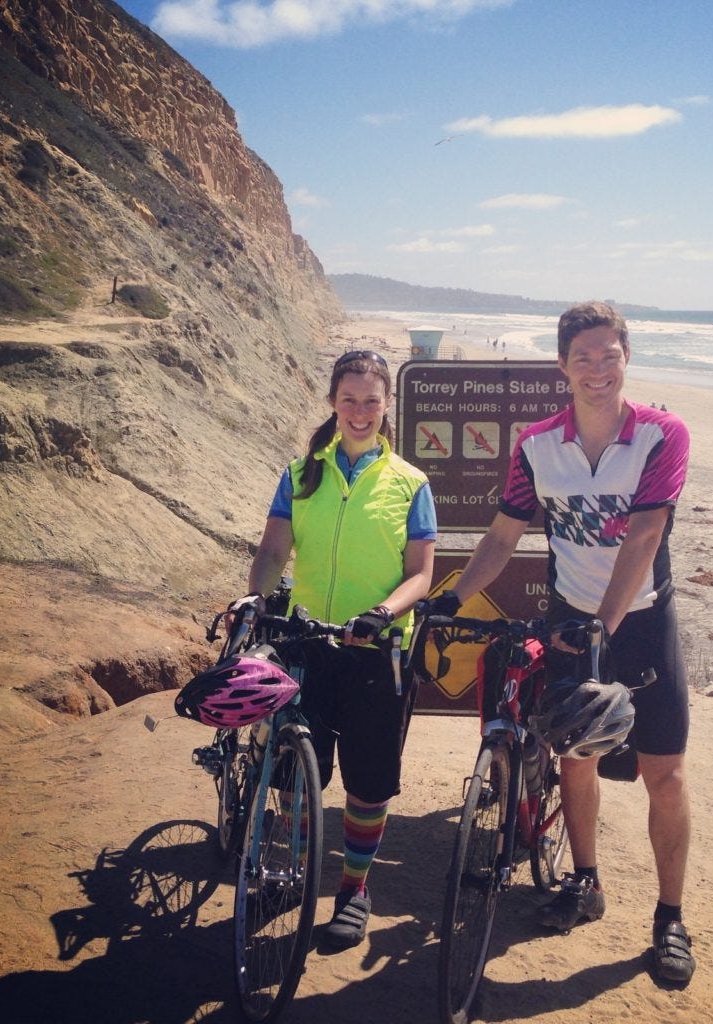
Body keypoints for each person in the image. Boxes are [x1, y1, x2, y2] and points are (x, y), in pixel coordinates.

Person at [429, 301, 696, 984]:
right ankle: (585, 881)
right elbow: (502, 535)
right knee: (575, 761)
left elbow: (645, 537)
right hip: (574, 623)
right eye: (583, 357)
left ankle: (670, 919)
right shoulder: (535, 445)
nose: (597, 368)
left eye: (610, 355)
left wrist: (603, 628)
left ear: (627, 357)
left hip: (640, 623)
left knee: (662, 776)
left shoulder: (663, 435)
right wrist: (450, 599)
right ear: (562, 366)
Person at [231, 349, 437, 949]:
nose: (360, 412)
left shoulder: (410, 483)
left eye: (372, 401)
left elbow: (422, 574)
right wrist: (254, 598)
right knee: (298, 776)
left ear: (386, 406)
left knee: (367, 785)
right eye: (349, 399)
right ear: (332, 403)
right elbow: (272, 553)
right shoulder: (301, 475)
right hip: (307, 644)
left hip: (377, 652)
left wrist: (382, 613)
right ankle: (290, 873)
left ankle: (352, 890)